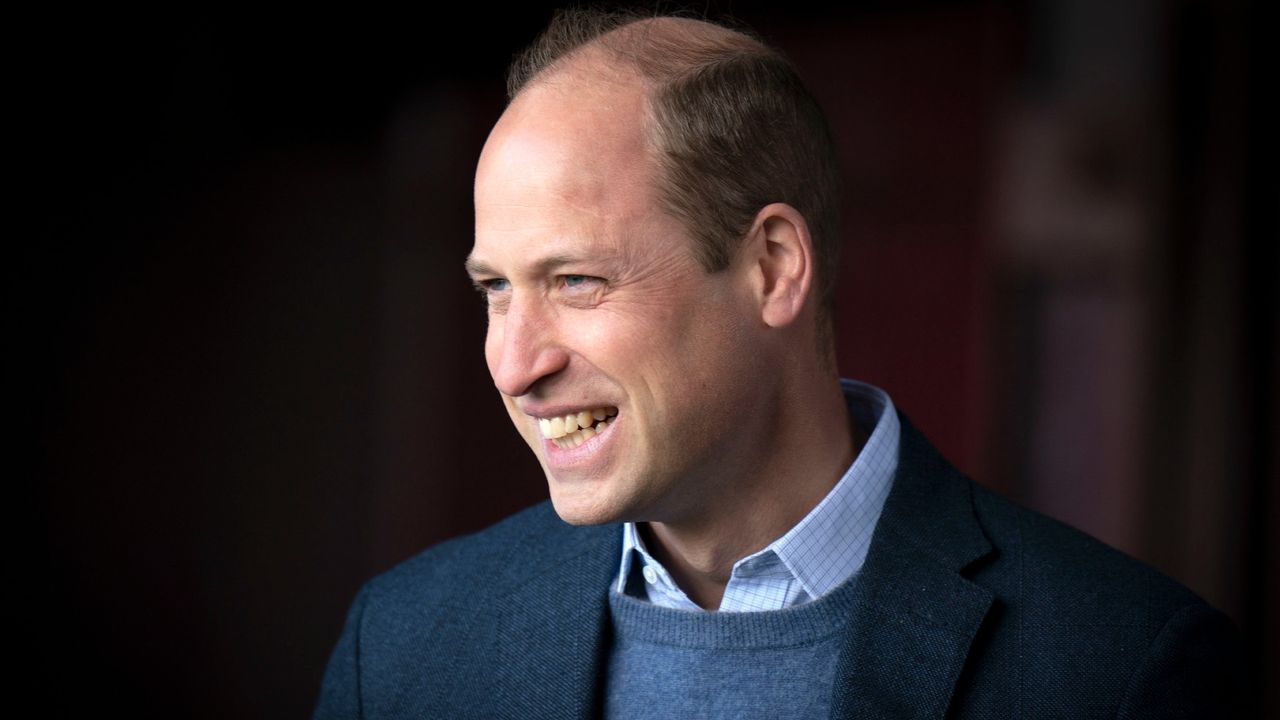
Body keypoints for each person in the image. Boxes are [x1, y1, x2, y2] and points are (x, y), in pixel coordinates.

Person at [314, 9, 1238, 719]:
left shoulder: (1119, 666)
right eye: (496, 290)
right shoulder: (399, 645)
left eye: (578, 279)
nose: (515, 364)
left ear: (772, 268)